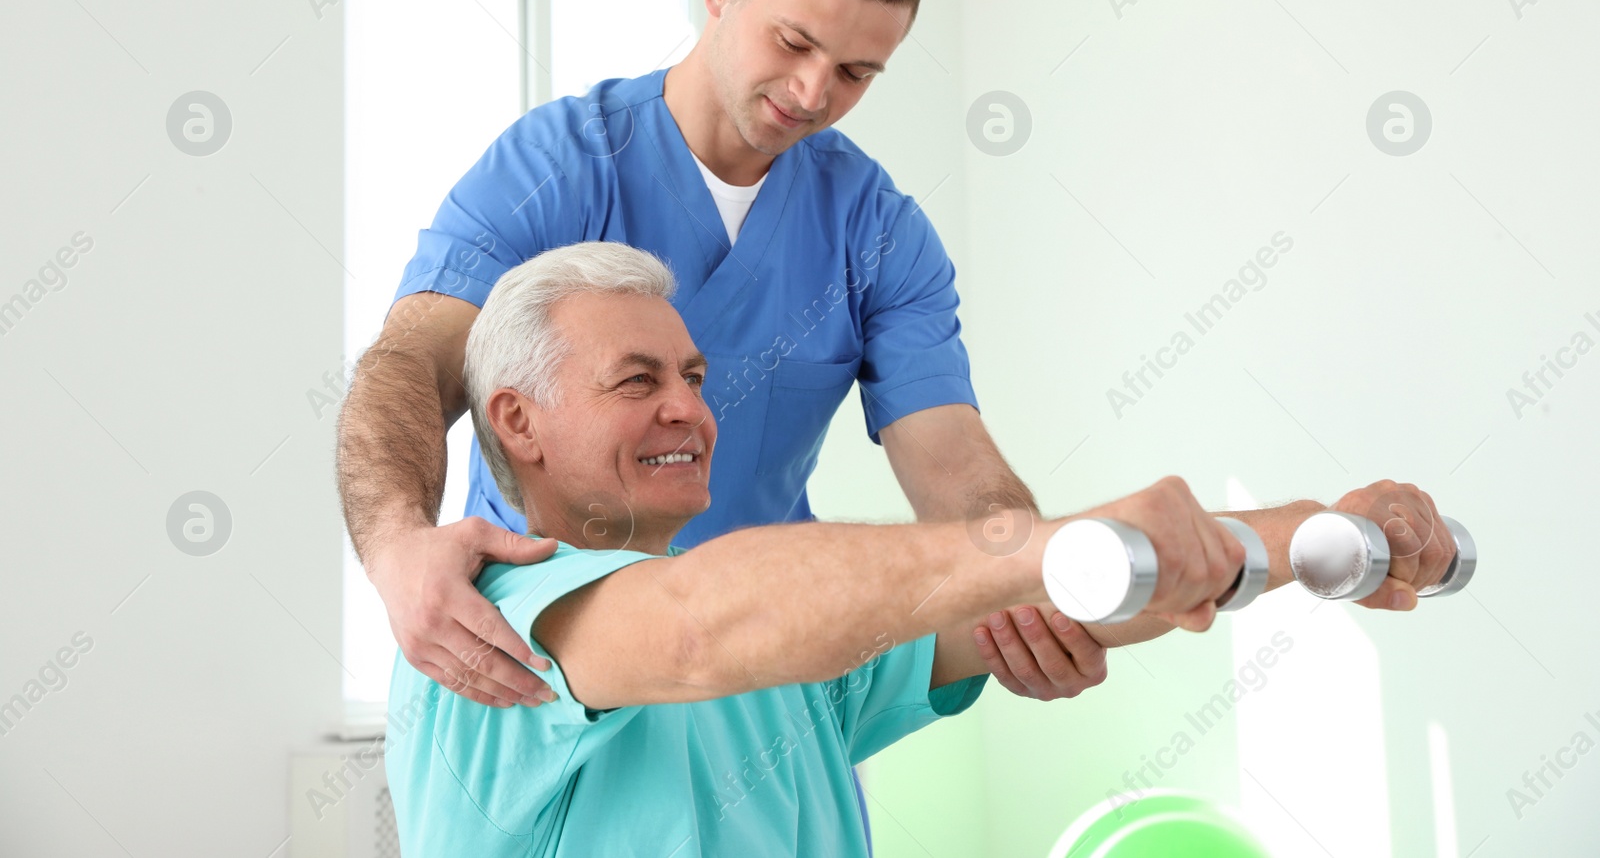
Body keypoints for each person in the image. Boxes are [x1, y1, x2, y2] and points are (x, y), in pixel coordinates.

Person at [337, 0, 1109, 848]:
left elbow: (955, 461)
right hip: (560, 668)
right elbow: (410, 362)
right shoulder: (553, 172)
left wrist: (1026, 583)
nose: (811, 93)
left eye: (856, 73)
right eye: (793, 42)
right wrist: (397, 546)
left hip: (780, 664)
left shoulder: (876, 231)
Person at [383, 241, 1454, 856]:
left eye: (695, 379)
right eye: (638, 381)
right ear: (517, 422)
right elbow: (697, 625)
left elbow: (1075, 597)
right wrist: (1027, 544)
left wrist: (1320, 532)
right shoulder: (485, 614)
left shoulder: (790, 647)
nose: (689, 411)